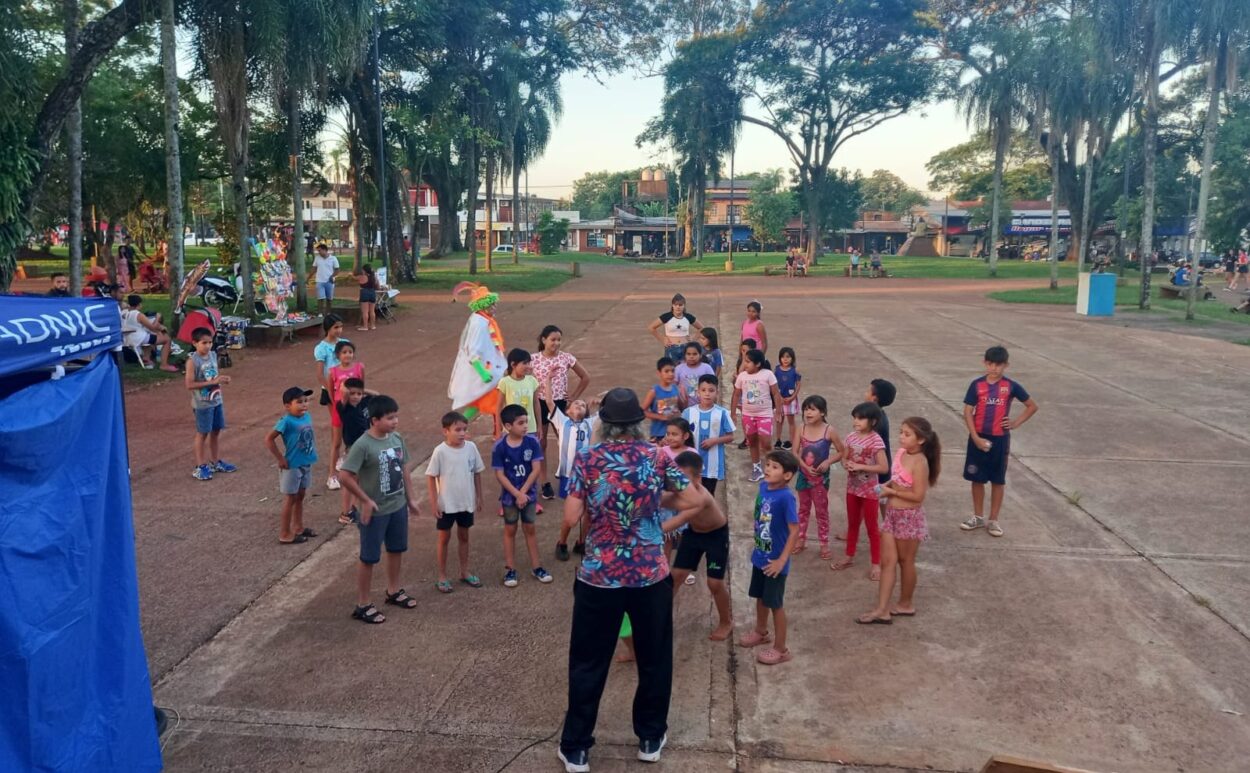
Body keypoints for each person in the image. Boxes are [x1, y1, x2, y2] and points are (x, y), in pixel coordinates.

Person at [558, 388, 696, 773]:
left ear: (604, 423)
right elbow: (688, 499)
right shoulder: (657, 456)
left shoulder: (586, 459)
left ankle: (577, 747)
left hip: (599, 576)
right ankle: (650, 737)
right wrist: (652, 501)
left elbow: (570, 517)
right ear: (639, 423)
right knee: (654, 657)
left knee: (588, 661)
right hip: (649, 574)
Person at [338, 394, 421, 624]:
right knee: (369, 558)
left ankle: (393, 591)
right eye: (390, 418)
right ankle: (363, 604)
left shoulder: (396, 439)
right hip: (374, 512)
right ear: (374, 420)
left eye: (396, 417)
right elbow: (345, 476)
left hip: (397, 506)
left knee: (396, 549)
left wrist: (411, 499)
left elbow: (404, 469)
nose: (395, 422)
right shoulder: (362, 445)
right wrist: (364, 500)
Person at [858, 417, 941, 625]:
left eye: (907, 434)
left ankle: (905, 603)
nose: (901, 437)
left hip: (909, 518)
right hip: (892, 515)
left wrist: (890, 491)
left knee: (906, 562)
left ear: (920, 440)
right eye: (901, 432)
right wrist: (885, 486)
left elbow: (918, 496)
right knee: (888, 563)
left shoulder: (920, 462)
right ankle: (882, 609)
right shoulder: (901, 453)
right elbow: (896, 478)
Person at [960, 346, 1039, 538]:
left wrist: (1015, 423)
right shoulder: (976, 385)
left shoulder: (1010, 386)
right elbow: (967, 412)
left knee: (997, 480)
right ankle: (978, 516)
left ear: (1006, 365)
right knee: (976, 478)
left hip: (1000, 439)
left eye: (999, 365)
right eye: (990, 364)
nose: (994, 368)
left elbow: (1032, 406)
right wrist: (975, 437)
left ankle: (993, 520)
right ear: (984, 363)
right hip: (978, 437)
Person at [737, 449, 801, 666]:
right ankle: (761, 632)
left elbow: (794, 530)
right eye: (768, 465)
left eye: (775, 467)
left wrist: (781, 561)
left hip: (775, 562)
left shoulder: (786, 498)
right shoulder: (764, 487)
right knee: (760, 597)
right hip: (760, 556)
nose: (768, 469)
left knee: (776, 604)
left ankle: (781, 649)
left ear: (787, 475)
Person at [663, 451, 733, 641]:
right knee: (675, 577)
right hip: (693, 534)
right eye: (675, 478)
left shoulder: (701, 498)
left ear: (698, 478)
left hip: (716, 535)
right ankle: (661, 620)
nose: (679, 485)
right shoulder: (675, 492)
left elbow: (679, 519)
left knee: (715, 583)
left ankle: (726, 622)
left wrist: (648, 532)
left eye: (684, 479)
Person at [492, 404, 552, 587]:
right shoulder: (499, 447)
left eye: (526, 422)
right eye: (521, 423)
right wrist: (517, 494)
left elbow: (536, 469)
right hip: (510, 497)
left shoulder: (532, 442)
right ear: (508, 426)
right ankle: (510, 569)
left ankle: (537, 567)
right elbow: (499, 474)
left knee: (530, 529)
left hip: (529, 495)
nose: (526, 426)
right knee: (510, 530)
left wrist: (523, 493)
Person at [426, 411, 486, 593]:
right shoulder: (440, 451)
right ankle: (442, 576)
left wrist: (479, 496)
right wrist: (434, 502)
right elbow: (431, 476)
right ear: (446, 431)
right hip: (447, 503)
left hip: (466, 502)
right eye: (457, 429)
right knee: (444, 538)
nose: (462, 433)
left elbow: (477, 472)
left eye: (464, 429)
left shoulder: (471, 448)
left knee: (464, 536)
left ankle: (464, 571)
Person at [532, 325, 590, 501]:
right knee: (541, 443)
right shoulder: (533, 359)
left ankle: (569, 476)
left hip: (560, 405)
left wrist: (572, 397)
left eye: (559, 339)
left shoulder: (566, 358)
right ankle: (545, 483)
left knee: (566, 441)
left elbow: (585, 377)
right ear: (543, 340)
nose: (556, 343)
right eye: (552, 339)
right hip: (540, 404)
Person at [834, 402, 889, 580]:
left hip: (870, 491)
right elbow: (844, 457)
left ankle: (876, 564)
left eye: (861, 418)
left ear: (872, 421)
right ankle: (849, 556)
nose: (856, 421)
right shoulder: (851, 437)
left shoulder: (876, 441)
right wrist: (847, 464)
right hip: (852, 488)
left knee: (872, 528)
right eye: (855, 418)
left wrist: (860, 466)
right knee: (852, 524)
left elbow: (884, 467)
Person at [546, 395, 600, 561]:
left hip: (588, 476)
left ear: (587, 412)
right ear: (568, 411)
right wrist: (547, 380)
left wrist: (598, 404)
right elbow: (549, 401)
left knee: (589, 513)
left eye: (583, 405)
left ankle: (581, 542)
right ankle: (561, 543)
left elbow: (606, 412)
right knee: (571, 516)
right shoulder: (562, 421)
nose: (579, 406)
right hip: (569, 476)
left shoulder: (590, 423)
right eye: (576, 403)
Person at [264, 387, 318, 545]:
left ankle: (298, 527)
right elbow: (269, 439)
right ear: (287, 406)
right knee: (290, 497)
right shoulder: (286, 421)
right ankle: (285, 532)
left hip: (306, 462)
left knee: (300, 495)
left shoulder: (306, 416)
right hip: (292, 464)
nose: (304, 405)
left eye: (305, 401)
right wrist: (280, 458)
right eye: (299, 402)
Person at [794, 395, 845, 560]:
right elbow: (794, 452)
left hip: (821, 480)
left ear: (822, 412)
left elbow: (842, 451)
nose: (808, 412)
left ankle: (824, 543)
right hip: (803, 477)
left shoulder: (829, 430)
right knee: (803, 509)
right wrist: (804, 465)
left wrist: (828, 462)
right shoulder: (800, 429)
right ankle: (801, 539)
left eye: (812, 409)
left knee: (821, 511)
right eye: (806, 409)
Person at [449, 282, 506, 427]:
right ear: (483, 306)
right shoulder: (479, 324)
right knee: (492, 400)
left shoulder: (483, 320)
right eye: (491, 305)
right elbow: (472, 351)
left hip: (489, 368)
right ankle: (496, 431)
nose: (494, 307)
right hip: (484, 371)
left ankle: (459, 426)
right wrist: (483, 373)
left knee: (483, 402)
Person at [185, 327, 236, 481]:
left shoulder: (213, 355)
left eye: (210, 342)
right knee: (203, 433)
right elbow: (189, 384)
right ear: (194, 343)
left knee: (216, 431)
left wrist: (221, 379)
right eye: (203, 343)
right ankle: (200, 466)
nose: (207, 346)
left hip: (216, 400)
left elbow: (213, 375)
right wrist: (213, 382)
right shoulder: (192, 361)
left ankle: (215, 461)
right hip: (202, 404)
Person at [732, 349, 783, 483]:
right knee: (752, 441)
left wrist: (778, 411)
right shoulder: (742, 376)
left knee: (766, 443)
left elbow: (776, 394)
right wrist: (732, 413)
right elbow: (736, 394)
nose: (745, 365)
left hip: (765, 415)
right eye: (745, 361)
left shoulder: (768, 374)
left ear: (758, 363)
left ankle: (773, 467)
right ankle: (757, 469)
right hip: (748, 415)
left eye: (748, 362)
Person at [682, 375, 735, 496]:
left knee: (708, 496)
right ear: (697, 392)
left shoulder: (722, 413)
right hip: (692, 465)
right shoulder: (688, 413)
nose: (707, 394)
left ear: (717, 392)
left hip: (712, 467)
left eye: (711, 390)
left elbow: (731, 436)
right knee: (691, 496)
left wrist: (715, 440)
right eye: (703, 390)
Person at [313, 315, 349, 490]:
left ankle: (343, 456)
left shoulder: (344, 344)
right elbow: (320, 374)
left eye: (340, 327)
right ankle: (332, 473)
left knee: (348, 426)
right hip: (331, 392)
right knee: (338, 428)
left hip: (346, 392)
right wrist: (331, 390)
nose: (339, 331)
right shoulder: (322, 348)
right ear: (328, 329)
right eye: (336, 327)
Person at [335, 377, 376, 524]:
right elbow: (344, 394)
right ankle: (345, 512)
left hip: (365, 445)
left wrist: (362, 390)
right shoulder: (344, 407)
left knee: (357, 480)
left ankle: (351, 508)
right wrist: (345, 388)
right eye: (352, 394)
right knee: (350, 480)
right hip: (353, 446)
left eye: (358, 394)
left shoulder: (364, 402)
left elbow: (377, 395)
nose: (356, 397)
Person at [121, 294, 178, 372]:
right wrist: (157, 318)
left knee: (152, 335)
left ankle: (146, 358)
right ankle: (164, 364)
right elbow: (153, 328)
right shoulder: (138, 315)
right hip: (138, 338)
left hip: (128, 338)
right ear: (139, 304)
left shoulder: (125, 313)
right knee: (167, 339)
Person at [497, 347, 540, 442]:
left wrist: (539, 426)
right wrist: (498, 429)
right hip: (511, 429)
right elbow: (499, 407)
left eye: (529, 363)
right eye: (524, 363)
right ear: (513, 364)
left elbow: (536, 404)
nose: (528, 366)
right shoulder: (504, 382)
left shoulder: (532, 381)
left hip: (530, 428)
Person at [648, 293, 703, 362]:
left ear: (684, 306)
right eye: (675, 305)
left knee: (685, 370)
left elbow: (701, 328)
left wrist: (693, 338)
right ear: (672, 306)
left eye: (680, 305)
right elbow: (651, 327)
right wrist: (663, 339)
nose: (678, 307)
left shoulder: (688, 317)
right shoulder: (666, 316)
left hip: (686, 347)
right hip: (671, 348)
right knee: (672, 369)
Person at [642, 357, 682, 443]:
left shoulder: (676, 389)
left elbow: (680, 408)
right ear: (659, 373)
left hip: (674, 433)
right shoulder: (654, 391)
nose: (670, 374)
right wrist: (660, 417)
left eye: (672, 371)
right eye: (666, 371)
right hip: (658, 434)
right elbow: (642, 411)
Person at [773, 347, 800, 449]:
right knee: (779, 420)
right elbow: (774, 384)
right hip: (779, 399)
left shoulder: (794, 371)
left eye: (788, 357)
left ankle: (792, 441)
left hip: (790, 400)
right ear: (780, 358)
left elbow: (798, 384)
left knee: (791, 421)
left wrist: (793, 397)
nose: (785, 359)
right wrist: (778, 397)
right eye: (783, 357)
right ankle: (778, 440)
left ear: (792, 358)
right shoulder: (777, 370)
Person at [313, 243, 340, 315]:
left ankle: (328, 313)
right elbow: (314, 269)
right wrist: (308, 278)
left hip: (329, 281)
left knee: (329, 299)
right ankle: (320, 313)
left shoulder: (333, 258)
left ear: (325, 250)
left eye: (320, 250)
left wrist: (332, 276)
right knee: (320, 298)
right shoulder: (317, 258)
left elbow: (337, 270)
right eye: (318, 251)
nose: (319, 252)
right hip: (319, 281)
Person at [355, 264, 378, 331]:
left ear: (364, 270)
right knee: (372, 311)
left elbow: (355, 278)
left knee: (365, 311)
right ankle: (373, 325)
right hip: (372, 293)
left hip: (364, 293)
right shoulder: (374, 277)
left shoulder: (362, 277)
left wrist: (350, 275)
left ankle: (365, 326)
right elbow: (377, 285)